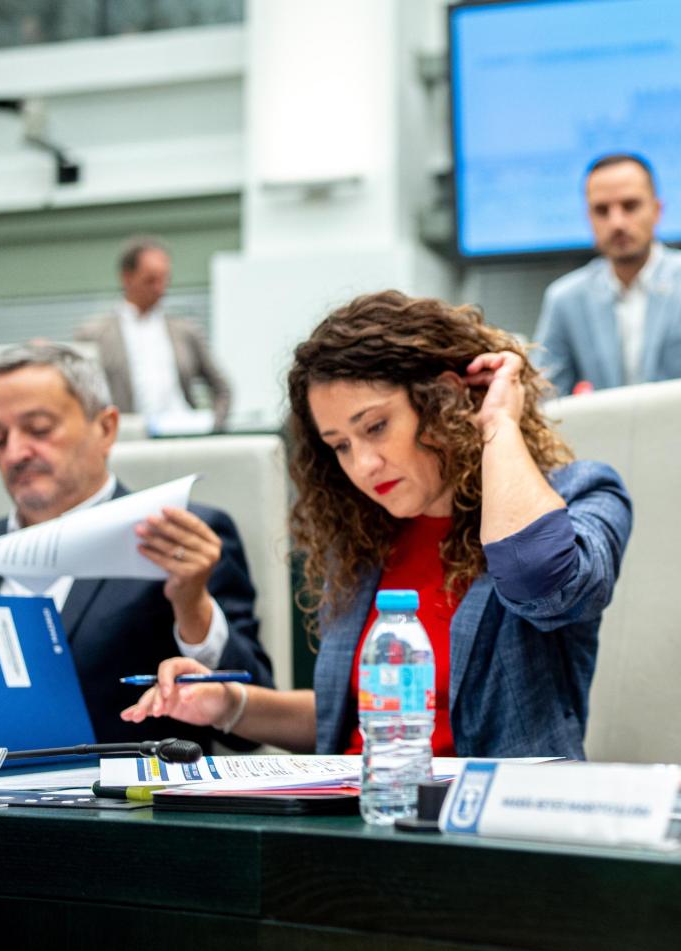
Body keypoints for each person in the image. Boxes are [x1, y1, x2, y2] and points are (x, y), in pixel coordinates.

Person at [124, 292, 632, 759]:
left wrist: (496, 422)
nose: (363, 464)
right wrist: (229, 704)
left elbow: (542, 582)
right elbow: (357, 721)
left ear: (444, 400)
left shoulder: (580, 494)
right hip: (356, 816)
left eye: (376, 427)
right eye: (340, 445)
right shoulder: (368, 536)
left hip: (486, 834)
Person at [0, 342, 270, 746]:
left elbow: (249, 726)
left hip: (123, 801)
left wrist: (193, 607)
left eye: (38, 430)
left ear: (105, 428)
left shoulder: (179, 539)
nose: (15, 452)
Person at [534, 153, 681, 396]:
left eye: (630, 206)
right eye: (602, 210)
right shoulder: (565, 298)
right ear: (589, 218)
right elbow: (543, 400)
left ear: (657, 210)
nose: (617, 223)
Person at [75, 235, 234, 427]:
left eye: (164, 279)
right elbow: (80, 395)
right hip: (128, 439)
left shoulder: (185, 331)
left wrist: (214, 426)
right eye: (150, 280)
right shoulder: (95, 335)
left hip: (183, 436)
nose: (160, 288)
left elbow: (222, 388)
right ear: (127, 277)